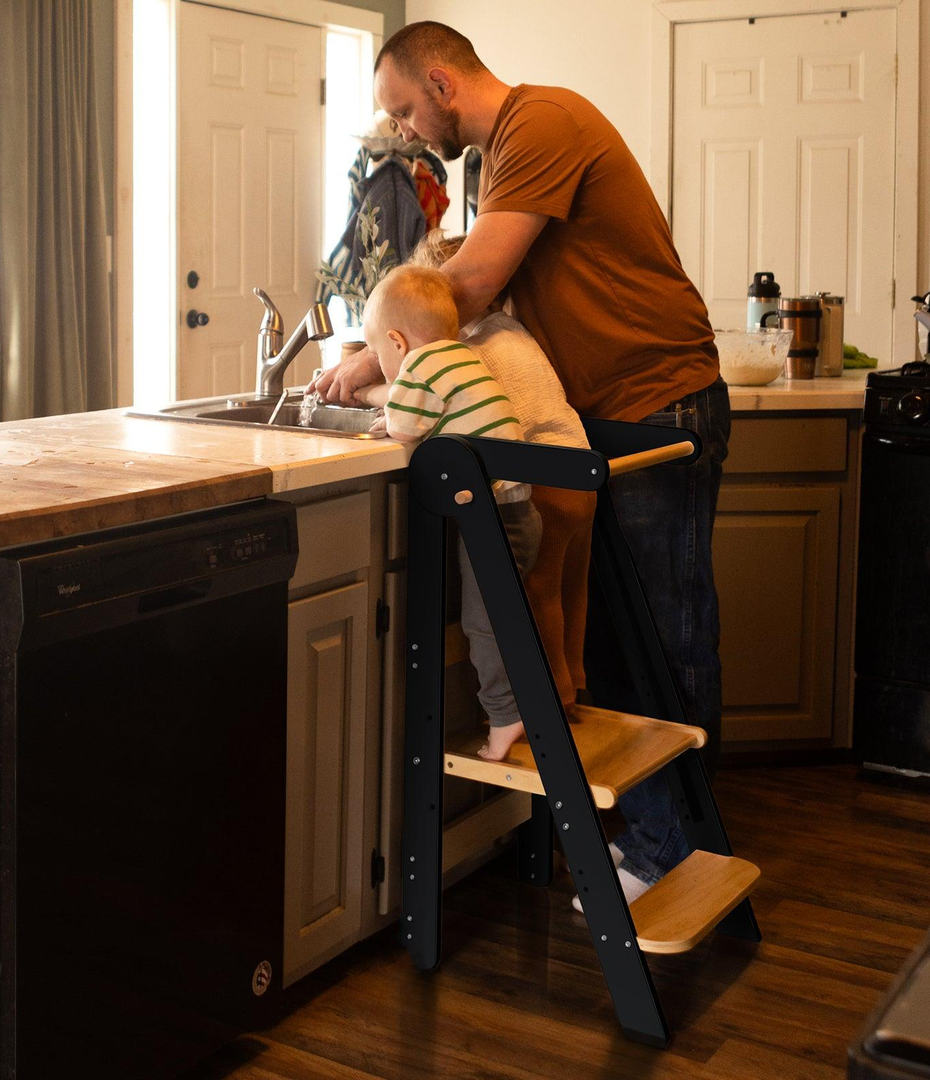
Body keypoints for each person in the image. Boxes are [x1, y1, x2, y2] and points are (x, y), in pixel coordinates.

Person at [312, 22, 730, 905]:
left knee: (664, 632)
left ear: (440, 80)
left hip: (657, 396)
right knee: (624, 636)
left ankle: (676, 853)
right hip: (605, 412)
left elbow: (464, 289)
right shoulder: (501, 155)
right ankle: (661, 842)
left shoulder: (540, 123)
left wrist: (368, 361)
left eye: (404, 111)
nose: (409, 133)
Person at [355, 264, 541, 760]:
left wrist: (373, 398)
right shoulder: (462, 355)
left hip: (493, 515)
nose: (382, 363)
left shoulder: (420, 367)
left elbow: (402, 425)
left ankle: (505, 715)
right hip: (521, 510)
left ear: (396, 342)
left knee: (485, 623)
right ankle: (525, 707)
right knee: (511, 614)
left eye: (377, 354)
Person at [410, 229, 595, 727]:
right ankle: (572, 684)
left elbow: (427, 406)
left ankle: (551, 703)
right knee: (570, 591)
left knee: (538, 594)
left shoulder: (465, 351)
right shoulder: (513, 331)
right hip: (581, 466)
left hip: (546, 481)